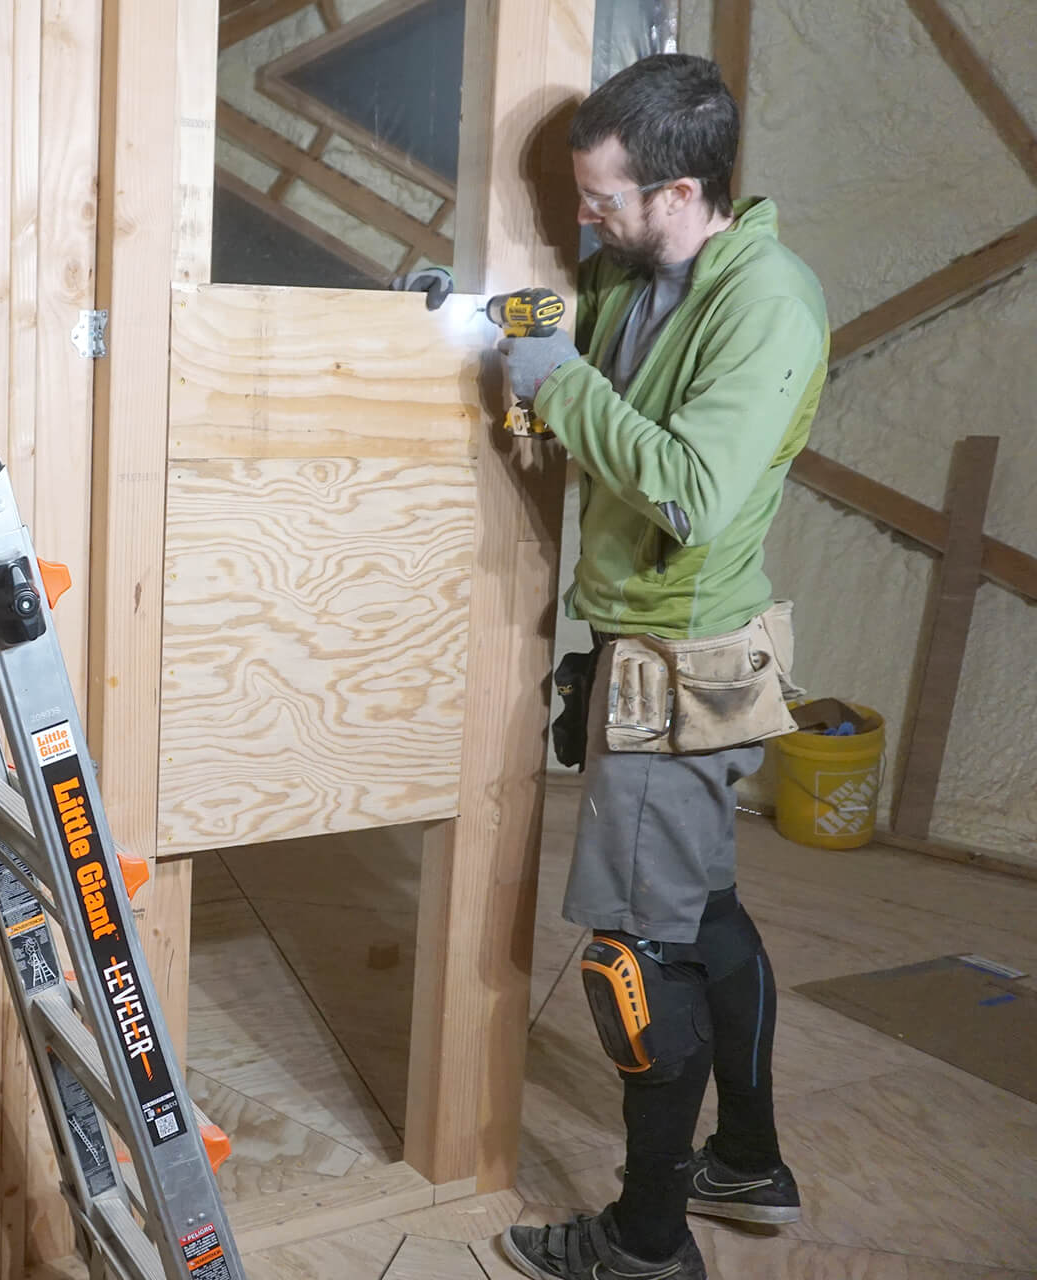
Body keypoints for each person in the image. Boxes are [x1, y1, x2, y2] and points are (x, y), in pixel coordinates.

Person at [489, 53, 827, 1280]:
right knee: (706, 915)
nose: (585, 217)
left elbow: (688, 487)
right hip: (666, 643)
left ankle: (643, 1240)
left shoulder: (766, 303)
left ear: (680, 189)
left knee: (639, 952)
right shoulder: (646, 275)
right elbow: (564, 344)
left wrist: (561, 384)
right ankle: (747, 1159)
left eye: (603, 198)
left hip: (684, 663)